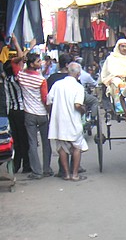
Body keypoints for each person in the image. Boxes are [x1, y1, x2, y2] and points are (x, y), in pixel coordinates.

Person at [46, 62, 88, 181]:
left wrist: (53, 113)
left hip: (59, 121)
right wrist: (83, 109)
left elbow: (48, 101)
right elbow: (77, 104)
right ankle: (75, 174)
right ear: (78, 74)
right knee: (77, 147)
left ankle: (66, 174)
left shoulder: (57, 84)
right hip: (73, 120)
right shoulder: (78, 87)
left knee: (62, 148)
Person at [17, 52, 52, 180]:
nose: (40, 63)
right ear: (32, 64)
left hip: (29, 114)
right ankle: (46, 169)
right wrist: (48, 111)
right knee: (46, 142)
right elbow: (44, 98)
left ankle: (36, 172)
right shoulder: (41, 79)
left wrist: (21, 56)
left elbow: (14, 64)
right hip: (42, 113)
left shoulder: (21, 76)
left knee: (32, 143)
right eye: (38, 61)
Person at [99, 38, 126, 108]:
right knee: (117, 84)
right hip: (116, 78)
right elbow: (111, 71)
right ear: (118, 47)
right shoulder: (111, 58)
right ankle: (120, 107)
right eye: (122, 46)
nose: (124, 48)